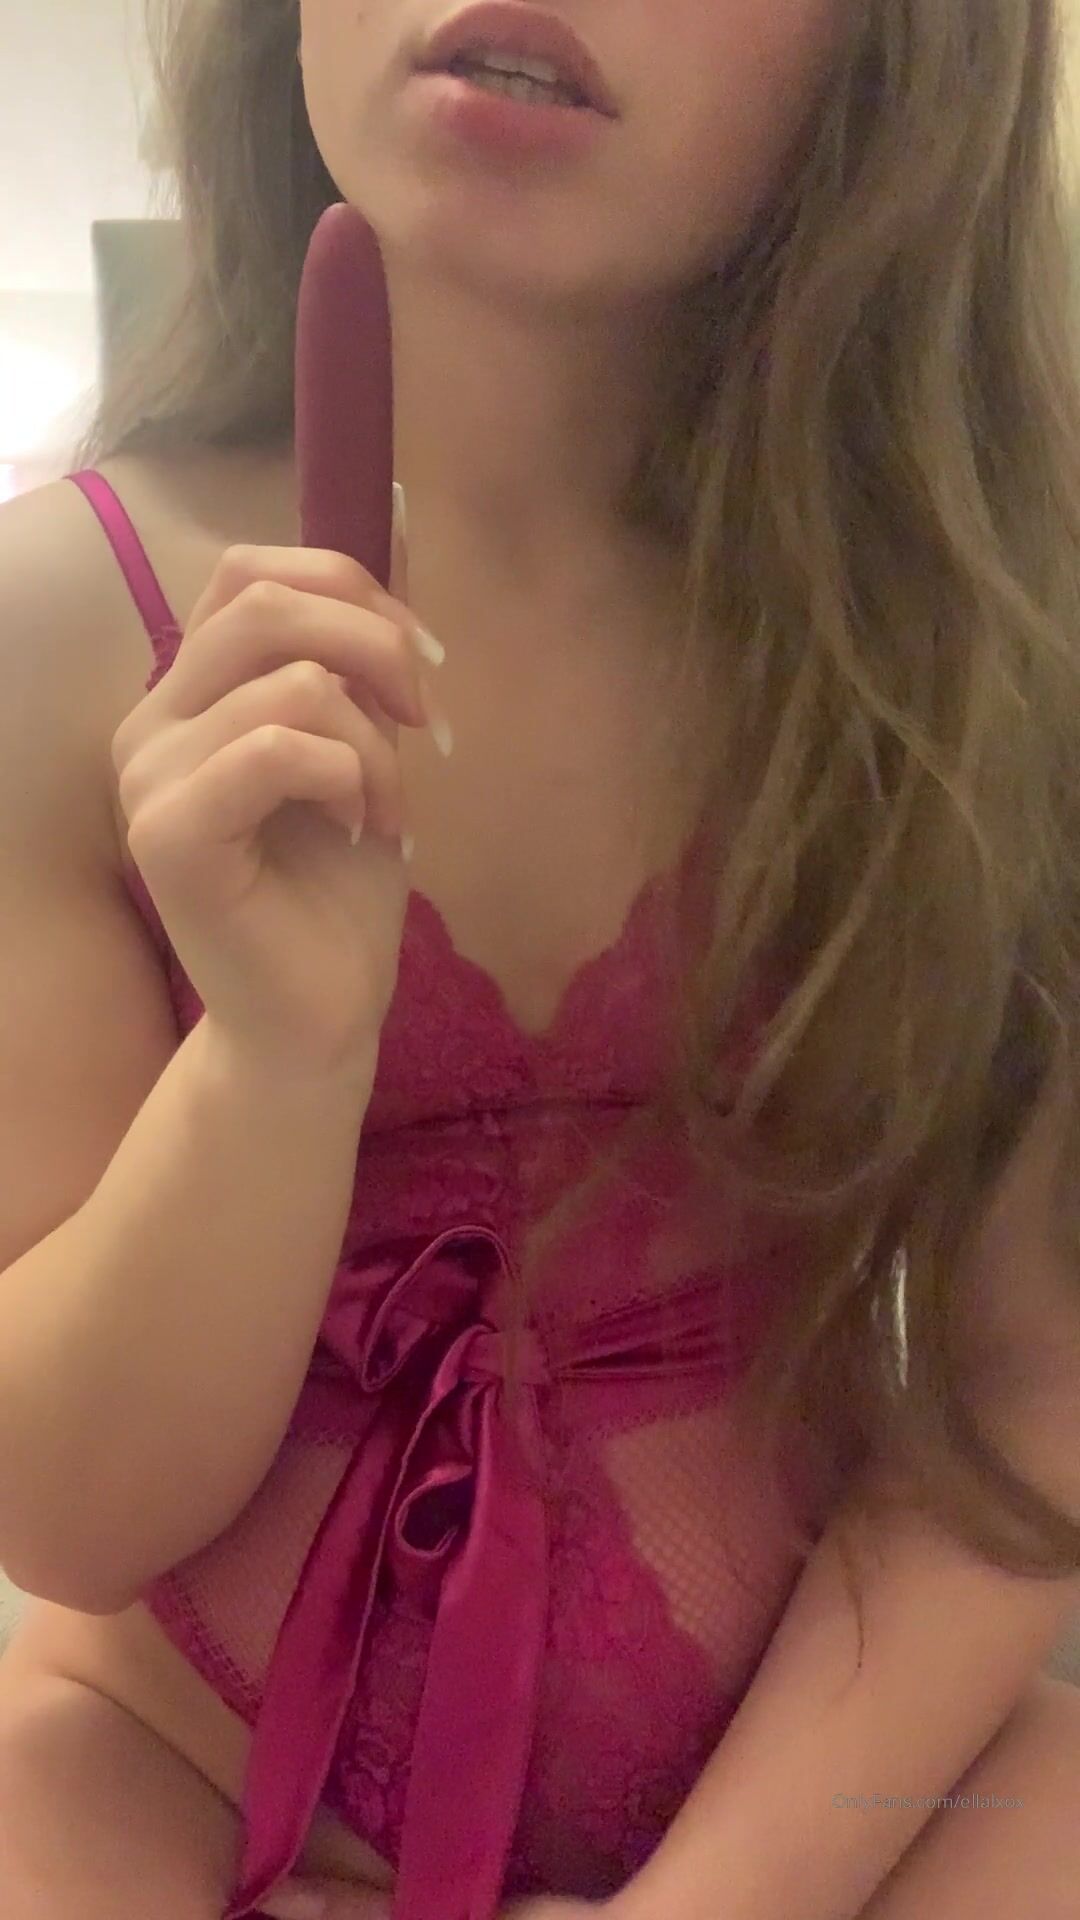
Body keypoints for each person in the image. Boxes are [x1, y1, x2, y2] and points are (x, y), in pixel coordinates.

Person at [0, 0, 1079, 1916]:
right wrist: (272, 1066)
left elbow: (1028, 1395)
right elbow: (68, 1510)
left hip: (831, 1794)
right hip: (175, 1770)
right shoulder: (57, 626)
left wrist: (716, 1906)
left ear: (901, 60)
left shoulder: (984, 644)